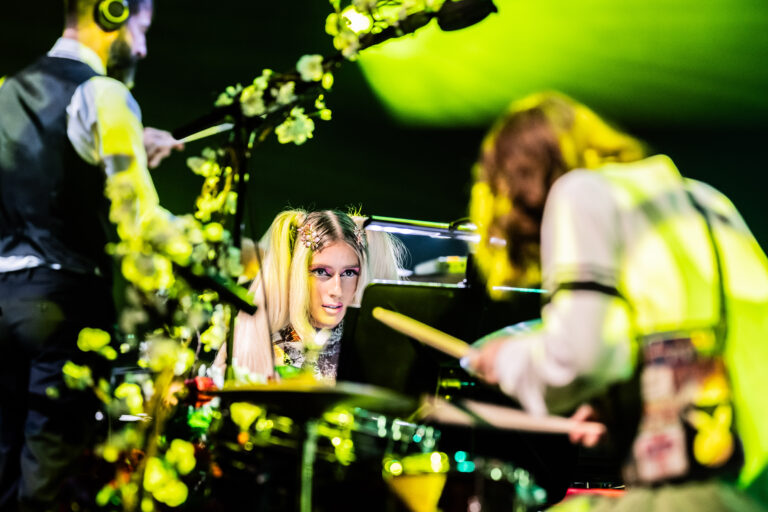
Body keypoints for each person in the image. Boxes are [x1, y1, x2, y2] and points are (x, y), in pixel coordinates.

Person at [465, 92, 768, 510]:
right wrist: (618, 405)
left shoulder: (580, 191)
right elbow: (687, 340)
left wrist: (510, 361)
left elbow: (582, 356)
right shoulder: (706, 199)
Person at [0, 0, 182, 508]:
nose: (142, 48)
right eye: (140, 29)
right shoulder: (104, 93)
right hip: (62, 306)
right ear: (112, 12)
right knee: (48, 485)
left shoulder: (7, 91)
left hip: (2, 300)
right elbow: (140, 217)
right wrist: (209, 243)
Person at [219, 209, 403, 382]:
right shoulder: (267, 348)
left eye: (349, 273)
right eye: (321, 271)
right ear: (299, 274)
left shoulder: (370, 350)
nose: (337, 290)